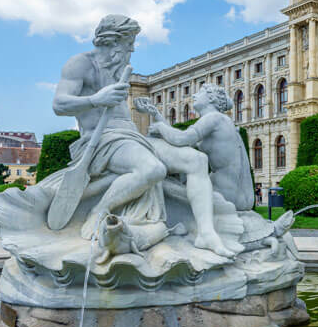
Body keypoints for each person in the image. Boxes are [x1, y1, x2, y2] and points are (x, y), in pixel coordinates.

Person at [49, 14, 238, 257]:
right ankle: (100, 210)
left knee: (196, 160)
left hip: (132, 138)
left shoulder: (118, 71)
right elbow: (59, 104)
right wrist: (97, 99)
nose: (132, 49)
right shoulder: (81, 64)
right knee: (152, 169)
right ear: (113, 42)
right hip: (103, 139)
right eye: (129, 44)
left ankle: (206, 234)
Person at [141, 83, 255, 211]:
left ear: (211, 98)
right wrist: (156, 114)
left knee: (163, 186)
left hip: (224, 195)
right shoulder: (221, 120)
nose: (194, 95)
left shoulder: (213, 118)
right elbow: (180, 139)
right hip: (232, 192)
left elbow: (180, 139)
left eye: (200, 92)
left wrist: (160, 128)